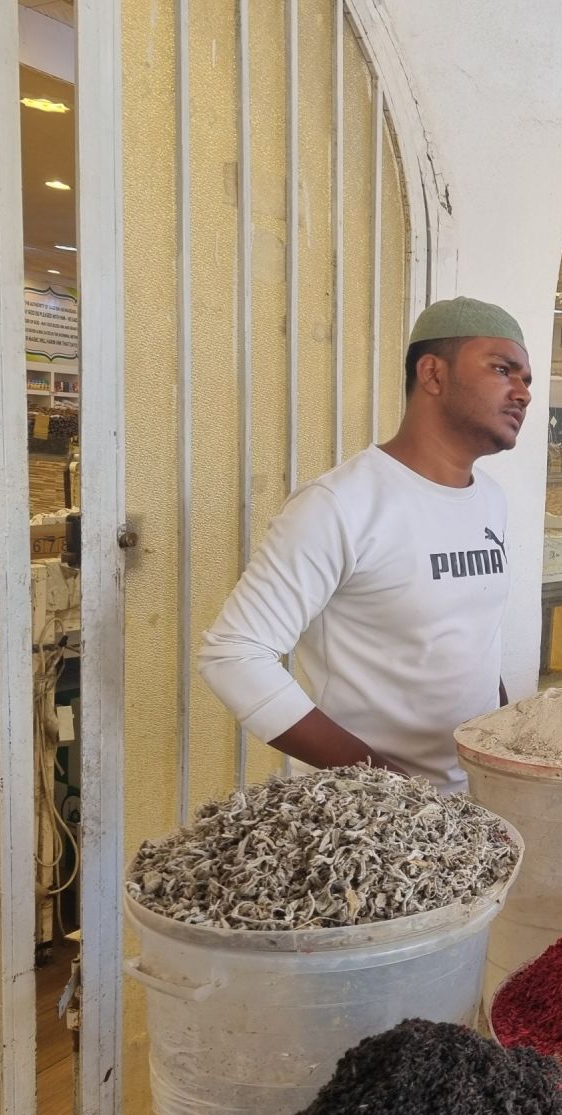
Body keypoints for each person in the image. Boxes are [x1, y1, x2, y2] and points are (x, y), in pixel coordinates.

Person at [199, 296, 532, 793]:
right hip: (368, 817)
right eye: (503, 370)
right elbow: (232, 654)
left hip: (474, 804)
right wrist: (386, 785)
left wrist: (502, 749)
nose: (523, 394)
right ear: (433, 374)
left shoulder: (491, 501)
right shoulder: (339, 504)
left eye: (527, 380)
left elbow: (472, 643)